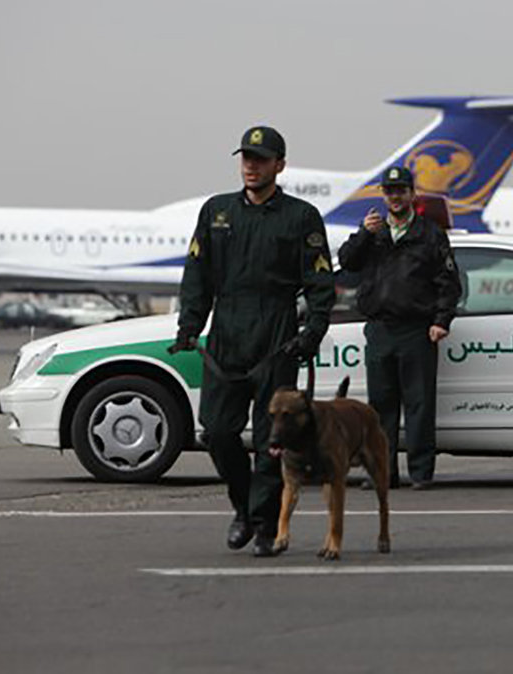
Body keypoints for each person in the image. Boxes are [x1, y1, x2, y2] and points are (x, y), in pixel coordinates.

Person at [170, 125, 336, 557]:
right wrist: (189, 325)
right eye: (246, 158)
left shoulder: (300, 217)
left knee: (270, 440)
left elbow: (320, 284)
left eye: (260, 160)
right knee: (218, 432)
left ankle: (264, 524)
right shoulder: (216, 211)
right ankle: (242, 507)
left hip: (275, 331)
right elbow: (197, 277)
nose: (251, 166)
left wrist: (311, 333)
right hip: (226, 329)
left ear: (279, 166)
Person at [337, 165, 462, 490]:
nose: (395, 197)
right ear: (384, 195)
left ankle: (421, 473)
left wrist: (441, 321)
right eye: (390, 192)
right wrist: (364, 233)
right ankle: (383, 472)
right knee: (381, 407)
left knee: (419, 403)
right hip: (380, 329)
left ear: (411, 194)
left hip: (416, 330)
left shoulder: (430, 234)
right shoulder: (374, 233)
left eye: (401, 191)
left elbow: (448, 283)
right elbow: (347, 261)